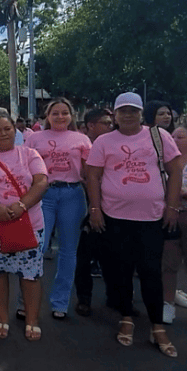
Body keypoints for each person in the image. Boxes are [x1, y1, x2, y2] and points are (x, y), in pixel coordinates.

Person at [86, 92, 180, 358]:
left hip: (152, 217)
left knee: (151, 272)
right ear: (114, 115)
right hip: (115, 217)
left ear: (141, 113)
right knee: (120, 271)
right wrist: (95, 209)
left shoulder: (159, 137)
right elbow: (92, 175)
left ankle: (157, 326)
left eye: (133, 110)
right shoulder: (105, 141)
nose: (128, 115)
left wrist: (172, 207)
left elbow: (175, 171)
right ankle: (126, 316)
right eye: (123, 111)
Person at [0, 112, 49, 341]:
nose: (3, 133)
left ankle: (32, 319)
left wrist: (22, 206)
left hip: (29, 223)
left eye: (7, 129)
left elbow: (41, 181)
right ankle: (1, 317)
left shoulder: (29, 153)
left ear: (15, 130)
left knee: (31, 274)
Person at [22, 98, 91, 321]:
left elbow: (90, 172)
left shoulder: (81, 139)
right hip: (44, 194)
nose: (60, 117)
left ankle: (60, 302)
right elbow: (24, 168)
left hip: (73, 194)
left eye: (65, 113)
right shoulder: (34, 139)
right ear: (47, 116)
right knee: (36, 248)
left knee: (68, 251)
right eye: (55, 113)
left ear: (71, 116)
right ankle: (25, 302)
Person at [74, 108, 115, 317]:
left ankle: (116, 298)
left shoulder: (115, 143)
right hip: (87, 206)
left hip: (114, 208)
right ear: (91, 125)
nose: (110, 126)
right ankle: (84, 299)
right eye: (106, 123)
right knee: (84, 256)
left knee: (112, 256)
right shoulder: (82, 145)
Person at [161, 125, 187, 326]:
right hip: (169, 215)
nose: (174, 139)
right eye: (172, 136)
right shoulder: (164, 164)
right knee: (168, 264)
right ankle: (168, 304)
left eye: (180, 136)